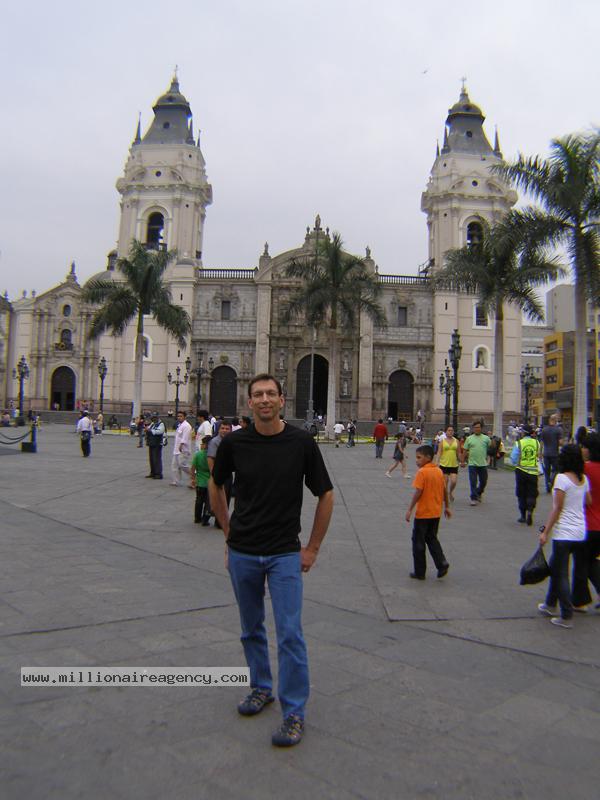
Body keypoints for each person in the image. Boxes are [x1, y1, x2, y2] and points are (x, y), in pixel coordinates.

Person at [209, 374, 334, 748]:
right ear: (249, 402)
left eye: (270, 394)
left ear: (282, 399)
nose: (264, 400)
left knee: (290, 634)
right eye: (258, 395)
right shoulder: (234, 443)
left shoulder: (301, 443)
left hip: (284, 554)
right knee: (250, 628)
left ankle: (294, 711)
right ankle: (261, 687)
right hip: (243, 551)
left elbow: (326, 494)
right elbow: (215, 484)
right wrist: (228, 532)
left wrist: (312, 548)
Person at [538, 444, 591, 628]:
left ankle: (566, 614)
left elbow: (557, 508)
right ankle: (550, 603)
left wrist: (545, 531)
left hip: (564, 533)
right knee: (555, 566)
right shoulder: (583, 479)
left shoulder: (561, 479)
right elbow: (588, 501)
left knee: (560, 574)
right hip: (580, 532)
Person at [405, 444, 451, 580]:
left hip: (423, 513)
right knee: (432, 538)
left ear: (428, 457)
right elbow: (444, 490)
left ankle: (420, 572)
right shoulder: (438, 471)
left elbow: (418, 492)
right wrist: (447, 507)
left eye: (419, 457)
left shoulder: (422, 472)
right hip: (436, 513)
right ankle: (442, 563)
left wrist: (410, 509)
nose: (417, 460)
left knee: (418, 542)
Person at [571, 433, 600, 610]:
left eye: (584, 447)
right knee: (591, 561)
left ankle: (580, 601)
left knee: (581, 563)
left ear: (590, 450)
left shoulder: (584, 470)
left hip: (586, 524)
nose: (582, 450)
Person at [511, 424, 542, 526]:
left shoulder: (519, 443)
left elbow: (513, 458)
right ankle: (530, 511)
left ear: (524, 433)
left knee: (521, 493)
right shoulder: (537, 443)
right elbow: (539, 456)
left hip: (521, 470)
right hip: (533, 472)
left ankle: (523, 515)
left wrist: (516, 463)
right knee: (532, 493)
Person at [207, 419, 233, 527]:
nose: (224, 430)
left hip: (228, 474)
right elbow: (210, 458)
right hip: (218, 474)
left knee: (226, 497)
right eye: (222, 428)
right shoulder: (215, 442)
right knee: (218, 498)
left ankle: (221, 521)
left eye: (227, 429)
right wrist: (213, 475)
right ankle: (215, 520)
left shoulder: (231, 441)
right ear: (218, 430)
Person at [461, 420, 490, 506]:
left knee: (483, 481)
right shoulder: (469, 439)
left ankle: (479, 492)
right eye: (475, 428)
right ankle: (473, 498)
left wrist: (489, 458)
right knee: (473, 481)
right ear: (473, 429)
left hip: (483, 464)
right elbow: (465, 450)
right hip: (472, 464)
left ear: (481, 428)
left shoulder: (486, 438)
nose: (477, 429)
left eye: (478, 427)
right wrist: (462, 461)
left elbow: (490, 449)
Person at [190, 435, 212, 525]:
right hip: (209, 482)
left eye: (202, 443)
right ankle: (205, 519)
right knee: (208, 501)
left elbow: (193, 468)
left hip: (200, 481)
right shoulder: (213, 455)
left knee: (199, 500)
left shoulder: (198, 454)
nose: (201, 445)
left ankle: (197, 518)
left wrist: (193, 479)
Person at [435, 424, 459, 502]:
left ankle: (450, 492)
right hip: (444, 464)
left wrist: (462, 461)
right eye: (449, 430)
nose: (450, 432)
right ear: (446, 432)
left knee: (454, 481)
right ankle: (444, 495)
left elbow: (458, 453)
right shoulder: (442, 441)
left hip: (454, 464)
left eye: (452, 430)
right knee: (445, 482)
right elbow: (439, 452)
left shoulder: (456, 441)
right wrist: (436, 462)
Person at [540, 414, 564, 493]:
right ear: (555, 420)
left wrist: (540, 452)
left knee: (547, 470)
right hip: (555, 453)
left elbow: (541, 442)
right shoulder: (558, 430)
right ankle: (551, 481)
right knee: (555, 470)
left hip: (546, 453)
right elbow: (560, 442)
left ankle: (547, 485)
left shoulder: (544, 429)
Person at [171, 411, 193, 486]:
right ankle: (175, 481)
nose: (179, 418)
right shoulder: (179, 425)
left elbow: (185, 437)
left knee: (182, 464)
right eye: (178, 416)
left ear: (185, 417)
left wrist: (181, 444)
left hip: (183, 449)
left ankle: (193, 475)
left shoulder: (187, 426)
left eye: (181, 416)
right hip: (176, 449)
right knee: (174, 465)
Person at [146, 412, 165, 479]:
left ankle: (158, 474)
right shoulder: (152, 423)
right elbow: (148, 428)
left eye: (155, 417)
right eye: (153, 417)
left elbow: (160, 431)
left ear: (157, 417)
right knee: (151, 458)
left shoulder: (161, 424)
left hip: (157, 443)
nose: (153, 419)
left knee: (156, 459)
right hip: (151, 443)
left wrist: (150, 431)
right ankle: (153, 472)